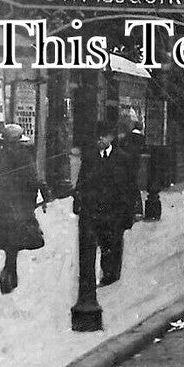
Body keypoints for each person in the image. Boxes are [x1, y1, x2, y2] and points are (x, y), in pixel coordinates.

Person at [0, 124, 51, 294]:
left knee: (8, 240)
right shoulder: (24, 157)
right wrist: (45, 195)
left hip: (3, 206)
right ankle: (9, 273)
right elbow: (35, 178)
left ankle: (10, 273)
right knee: (15, 240)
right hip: (21, 205)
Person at [75, 122, 139, 286]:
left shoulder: (123, 158)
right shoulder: (90, 157)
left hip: (115, 208)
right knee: (96, 240)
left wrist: (132, 210)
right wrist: (78, 201)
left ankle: (111, 273)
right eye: (98, 137)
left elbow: (131, 186)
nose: (100, 140)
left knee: (113, 240)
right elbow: (82, 181)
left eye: (104, 136)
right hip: (94, 207)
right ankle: (94, 274)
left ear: (111, 137)